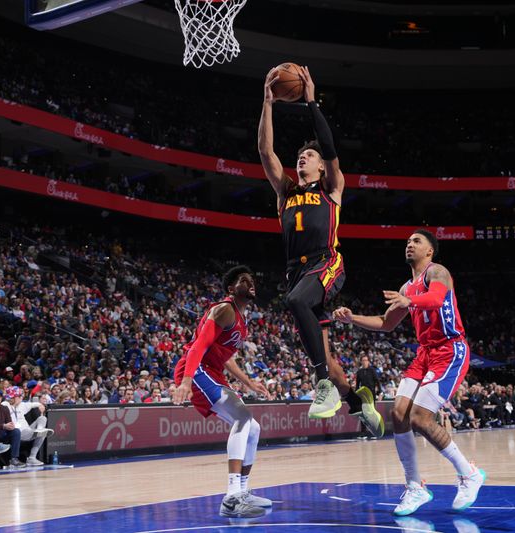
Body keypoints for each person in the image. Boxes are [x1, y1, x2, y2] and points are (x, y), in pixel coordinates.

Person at [258, 66, 382, 436]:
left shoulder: (331, 188)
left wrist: (310, 101)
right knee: (328, 361)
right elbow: (265, 150)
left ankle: (322, 387)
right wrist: (267, 103)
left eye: (308, 156)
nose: (304, 158)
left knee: (295, 303)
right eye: (301, 156)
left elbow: (328, 147)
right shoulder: (285, 191)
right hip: (297, 273)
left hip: (327, 263)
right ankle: (361, 404)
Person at [333, 230, 485, 516]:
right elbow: (385, 323)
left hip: (449, 350)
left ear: (429, 251)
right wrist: (352, 318)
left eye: (416, 241)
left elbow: (437, 299)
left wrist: (410, 302)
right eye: (407, 241)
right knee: (399, 413)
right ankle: (415, 486)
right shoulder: (406, 288)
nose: (409, 244)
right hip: (425, 353)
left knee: (420, 417)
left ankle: (468, 474)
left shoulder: (437, 271)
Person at [171, 266, 272, 519]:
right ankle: (231, 497)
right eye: (242, 280)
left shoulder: (241, 317)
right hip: (196, 369)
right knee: (242, 418)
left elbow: (226, 359)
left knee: (254, 428)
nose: (250, 282)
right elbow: (197, 347)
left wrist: (248, 382)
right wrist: (185, 381)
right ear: (231, 289)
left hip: (212, 371)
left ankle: (243, 491)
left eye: (251, 280)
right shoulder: (224, 309)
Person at [4, 386, 54, 466]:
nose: (21, 397)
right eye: (19, 396)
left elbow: (33, 404)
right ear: (13, 397)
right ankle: (39, 431)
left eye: (21, 396)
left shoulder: (22, 405)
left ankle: (32, 457)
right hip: (17, 433)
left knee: (42, 419)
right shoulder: (5, 405)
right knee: (41, 433)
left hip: (28, 431)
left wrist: (40, 405)